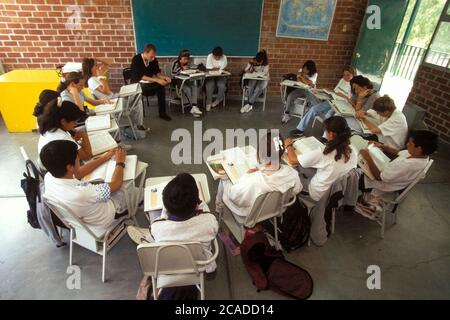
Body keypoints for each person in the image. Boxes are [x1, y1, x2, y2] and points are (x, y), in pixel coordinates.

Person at [127, 173, 219, 273]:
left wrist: (165, 211)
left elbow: (161, 220)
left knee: (153, 220)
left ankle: (146, 238)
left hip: (169, 265)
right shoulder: (210, 222)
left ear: (166, 207)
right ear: (197, 205)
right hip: (199, 266)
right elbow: (206, 214)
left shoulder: (156, 228)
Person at [41, 140, 138, 229]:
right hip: (108, 216)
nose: (78, 159)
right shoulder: (81, 193)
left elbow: (78, 173)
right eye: (77, 157)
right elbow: (116, 184)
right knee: (135, 189)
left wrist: (105, 157)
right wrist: (120, 162)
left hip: (84, 219)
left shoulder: (49, 176)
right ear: (70, 167)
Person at [356, 130, 438, 220]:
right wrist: (381, 146)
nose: (407, 144)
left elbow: (379, 177)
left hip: (381, 184)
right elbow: (399, 152)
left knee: (353, 172)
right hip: (389, 174)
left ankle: (349, 198)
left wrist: (368, 157)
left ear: (419, 149)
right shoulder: (422, 156)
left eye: (410, 144)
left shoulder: (407, 165)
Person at [215, 132, 302, 217]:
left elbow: (234, 197)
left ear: (261, 154)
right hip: (276, 209)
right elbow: (296, 190)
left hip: (252, 214)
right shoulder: (292, 173)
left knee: (224, 180)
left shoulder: (253, 181)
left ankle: (219, 209)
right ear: (282, 152)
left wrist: (245, 176)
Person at [37, 98, 117, 179]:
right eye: (74, 122)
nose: (75, 125)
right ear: (63, 121)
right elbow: (87, 156)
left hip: (49, 172)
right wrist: (105, 157)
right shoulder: (62, 137)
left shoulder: (50, 129)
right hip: (60, 176)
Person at [285, 116, 358, 201]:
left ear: (330, 134)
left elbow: (293, 160)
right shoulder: (353, 150)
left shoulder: (325, 152)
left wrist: (288, 145)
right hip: (337, 190)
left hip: (319, 193)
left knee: (292, 167)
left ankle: (291, 195)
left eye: (326, 131)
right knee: (307, 165)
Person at [82, 58, 149, 132]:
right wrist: (101, 77)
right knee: (137, 101)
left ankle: (137, 123)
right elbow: (107, 91)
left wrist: (96, 58)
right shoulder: (92, 80)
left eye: (97, 64)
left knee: (137, 94)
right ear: (90, 68)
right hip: (112, 101)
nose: (98, 66)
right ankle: (138, 125)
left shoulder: (95, 77)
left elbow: (109, 62)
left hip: (115, 97)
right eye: (95, 65)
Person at [289, 66, 356, 136]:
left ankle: (326, 136)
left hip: (341, 105)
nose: (345, 77)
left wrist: (342, 95)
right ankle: (300, 129)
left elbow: (350, 100)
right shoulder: (342, 80)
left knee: (329, 115)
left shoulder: (353, 85)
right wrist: (328, 91)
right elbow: (335, 91)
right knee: (313, 109)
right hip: (331, 100)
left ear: (353, 75)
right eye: (344, 75)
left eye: (348, 75)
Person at [130, 44, 172, 121]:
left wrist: (164, 77)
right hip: (138, 83)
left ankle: (162, 113)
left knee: (161, 87)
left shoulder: (153, 60)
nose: (153, 58)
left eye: (154, 56)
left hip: (149, 82)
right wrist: (157, 80)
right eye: (151, 56)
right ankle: (139, 117)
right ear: (145, 52)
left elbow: (157, 73)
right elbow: (140, 76)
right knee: (153, 85)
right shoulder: (136, 59)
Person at [281, 60, 319, 124]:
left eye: (306, 69)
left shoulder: (315, 74)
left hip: (309, 90)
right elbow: (298, 81)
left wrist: (302, 77)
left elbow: (309, 84)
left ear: (310, 70)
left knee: (314, 102)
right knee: (290, 97)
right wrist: (303, 78)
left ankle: (311, 112)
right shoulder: (301, 70)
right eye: (304, 68)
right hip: (300, 89)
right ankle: (287, 114)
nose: (304, 70)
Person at [171, 49, 202, 117]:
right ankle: (194, 107)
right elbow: (173, 73)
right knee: (187, 89)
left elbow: (193, 68)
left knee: (194, 86)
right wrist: (181, 68)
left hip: (187, 80)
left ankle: (194, 107)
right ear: (180, 58)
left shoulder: (188, 62)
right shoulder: (175, 63)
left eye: (187, 59)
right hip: (178, 81)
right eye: (184, 59)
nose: (186, 61)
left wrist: (194, 69)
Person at [204, 46, 228, 111]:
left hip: (221, 76)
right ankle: (208, 103)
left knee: (222, 85)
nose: (217, 58)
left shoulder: (224, 57)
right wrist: (217, 69)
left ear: (221, 55)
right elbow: (208, 68)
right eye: (215, 56)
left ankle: (218, 100)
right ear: (213, 54)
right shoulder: (210, 56)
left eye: (219, 57)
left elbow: (223, 68)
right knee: (210, 84)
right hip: (211, 75)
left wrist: (214, 68)